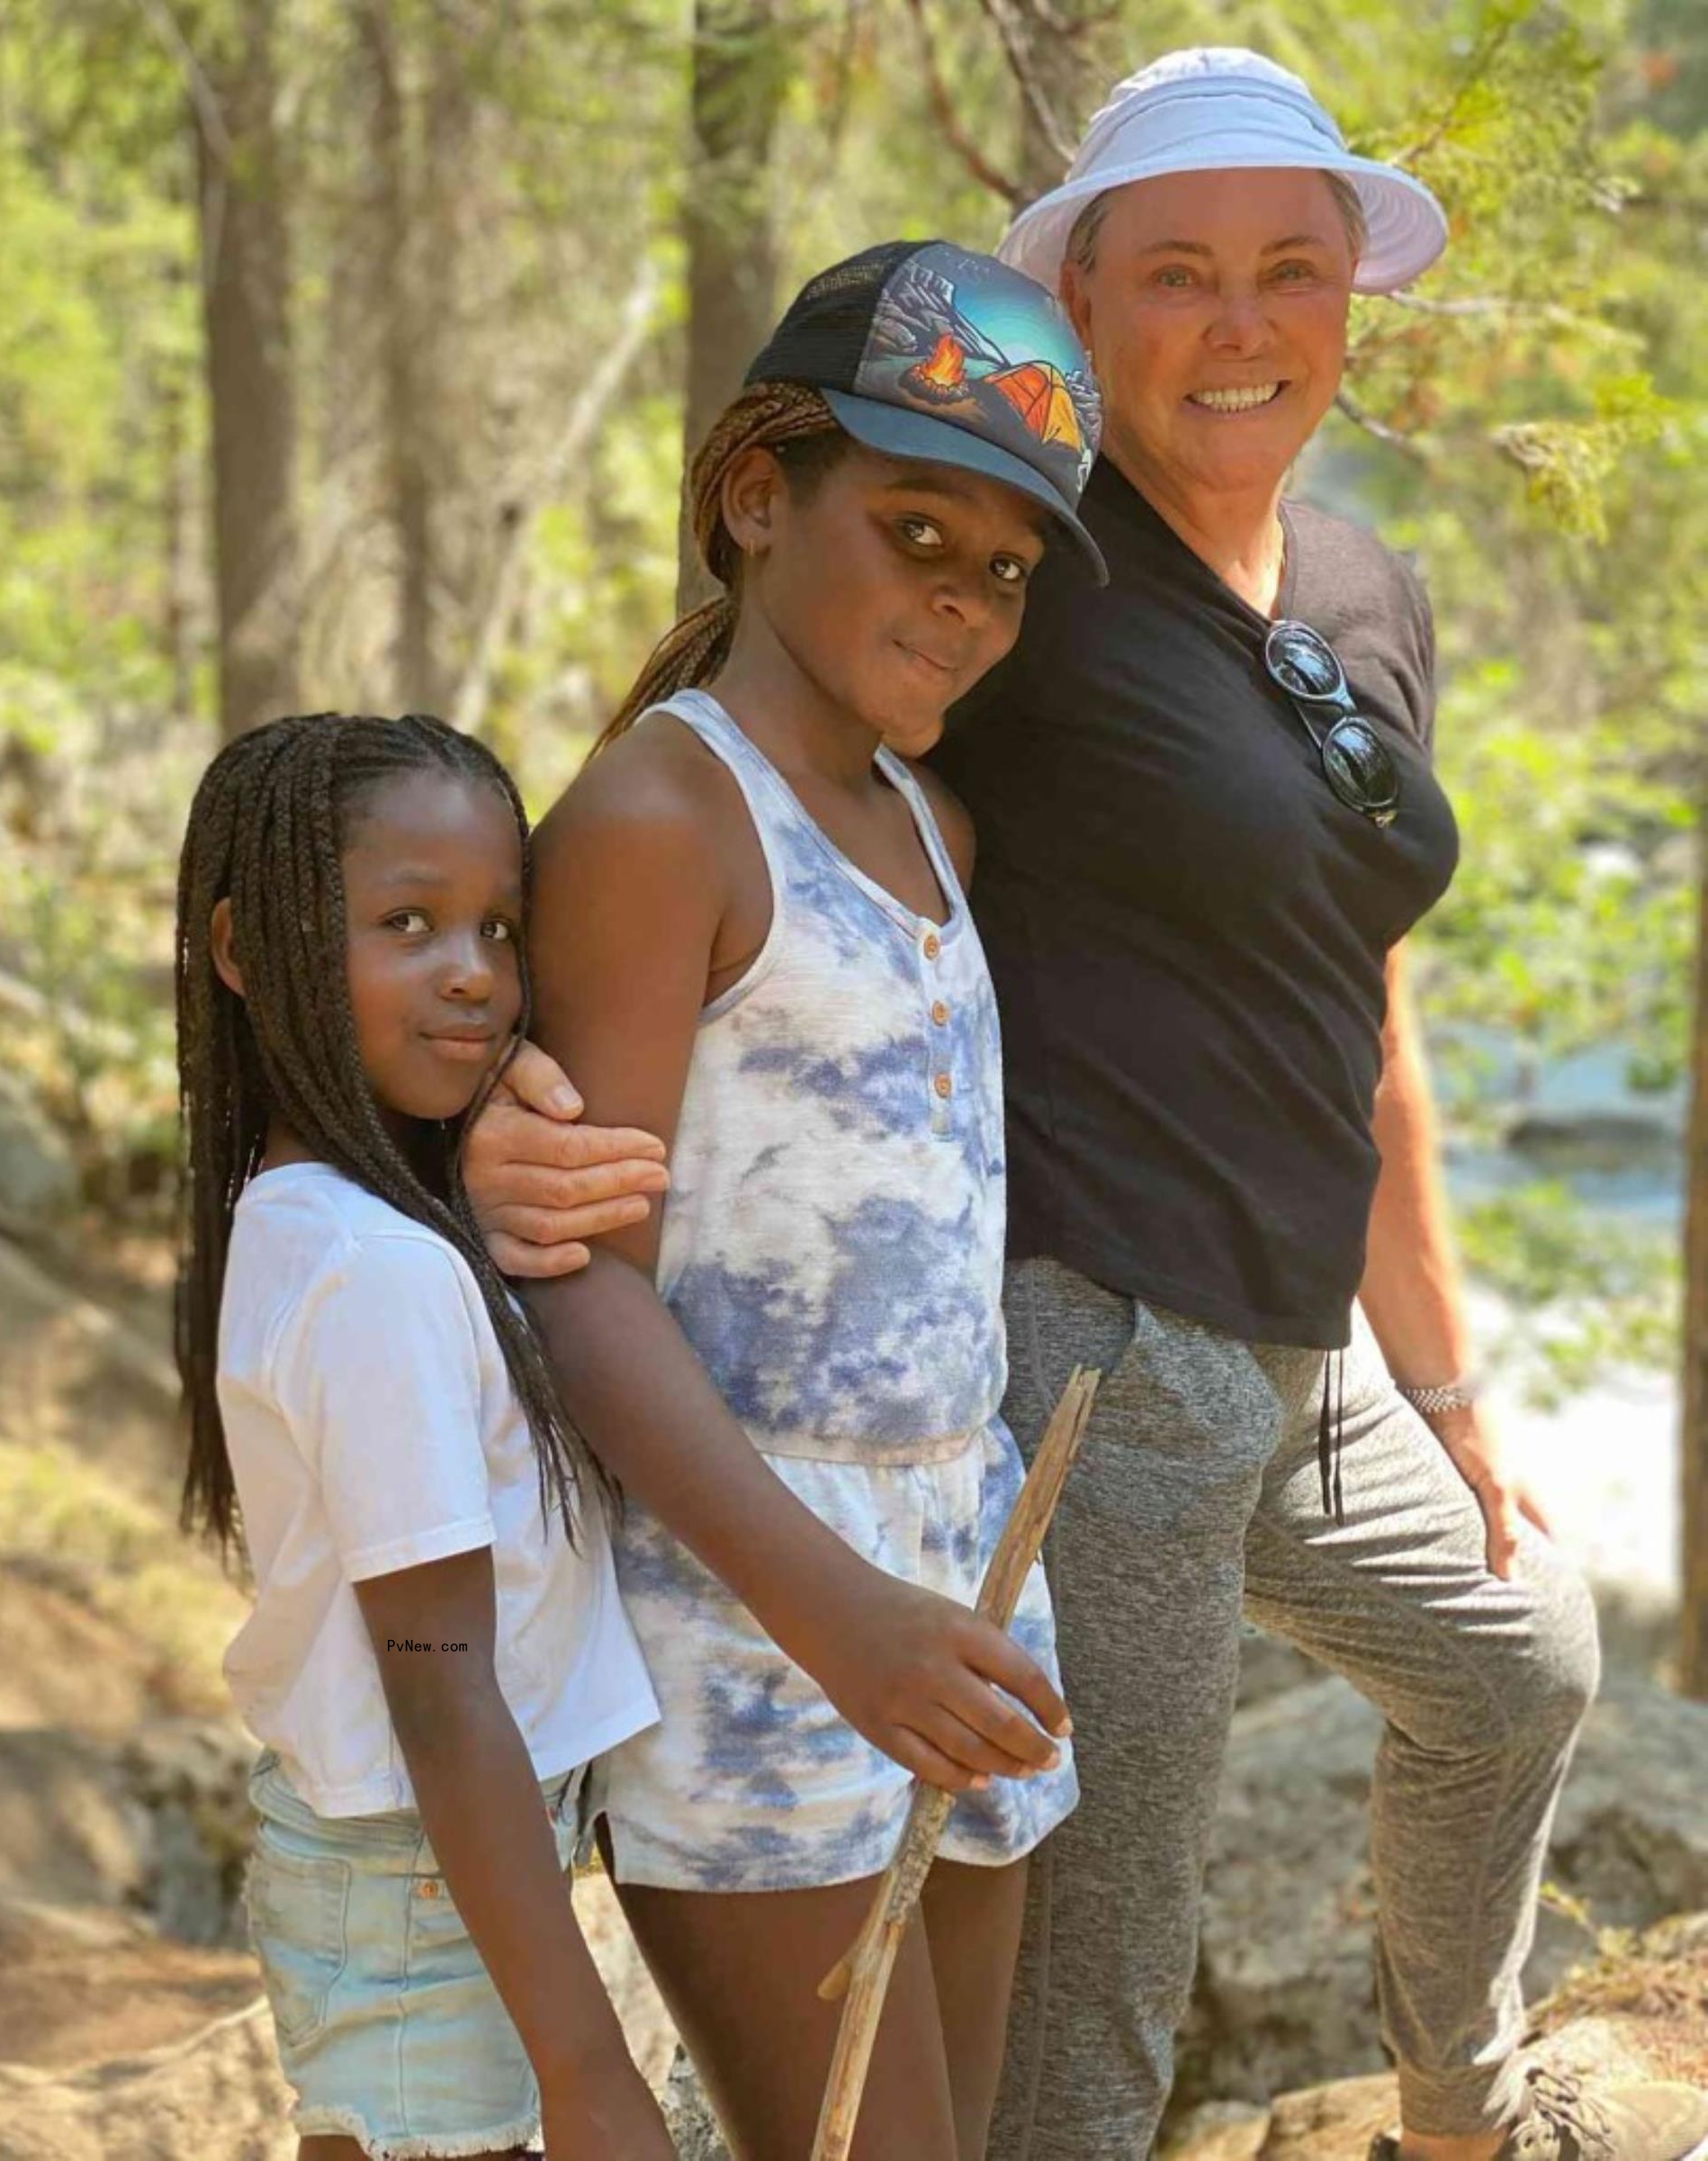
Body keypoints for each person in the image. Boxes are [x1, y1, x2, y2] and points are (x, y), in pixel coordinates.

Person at [922, 46, 1708, 2161]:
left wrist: (1448, 1390)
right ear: (1082, 304)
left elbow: (1357, 994)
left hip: (1298, 1351)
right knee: (1105, 1965)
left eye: (1292, 267)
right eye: (1178, 272)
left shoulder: (1365, 586)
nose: (1242, 323)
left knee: (1521, 1662)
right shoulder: (1017, 570)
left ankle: (1458, 2114)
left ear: (1353, 297)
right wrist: (544, 1082)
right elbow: (747, 787)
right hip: (1090, 1351)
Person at [470, 241, 1102, 2161]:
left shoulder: (935, 820)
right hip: (755, 1619)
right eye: (915, 526)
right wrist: (840, 1618)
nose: (964, 598)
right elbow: (580, 1283)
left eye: (1002, 568)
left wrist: (925, 1609)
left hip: (968, 1567)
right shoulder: (664, 823)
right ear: (759, 494)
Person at [173, 710, 670, 2161]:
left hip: (408, 1865)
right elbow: (441, 1689)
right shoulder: (371, 1273)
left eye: (500, 928)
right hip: (419, 1876)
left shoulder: (321, 1217)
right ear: (244, 952)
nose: (476, 973)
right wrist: (591, 2071)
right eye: (408, 921)